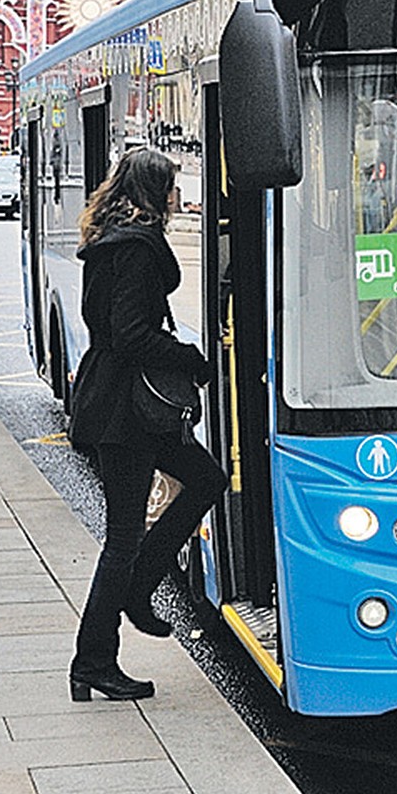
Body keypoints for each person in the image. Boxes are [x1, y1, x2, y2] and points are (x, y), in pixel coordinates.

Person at [68, 147, 225, 703]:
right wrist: (190, 360)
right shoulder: (135, 250)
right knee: (124, 538)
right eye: (172, 187)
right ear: (155, 192)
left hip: (121, 403)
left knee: (205, 480)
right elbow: (132, 334)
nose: (177, 196)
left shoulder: (110, 239)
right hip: (128, 410)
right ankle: (94, 660)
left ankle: (137, 593)